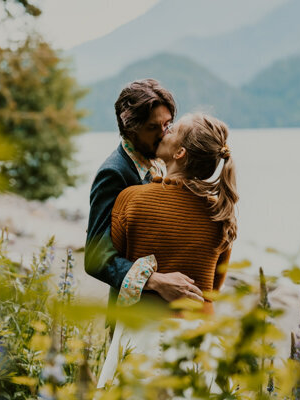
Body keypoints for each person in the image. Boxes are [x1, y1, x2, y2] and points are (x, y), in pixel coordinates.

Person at [97, 112, 239, 387]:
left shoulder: (132, 200)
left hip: (141, 338)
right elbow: (212, 290)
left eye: (173, 130)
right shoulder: (221, 215)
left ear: (180, 153)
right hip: (198, 343)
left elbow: (114, 262)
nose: (166, 130)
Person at [85, 79, 204, 330]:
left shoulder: (159, 158)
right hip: (134, 319)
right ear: (130, 128)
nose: (164, 133)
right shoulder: (113, 173)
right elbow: (96, 257)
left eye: (167, 124)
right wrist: (157, 281)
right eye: (153, 127)